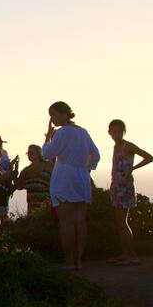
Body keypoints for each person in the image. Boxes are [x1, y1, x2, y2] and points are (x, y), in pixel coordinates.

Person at [42, 101, 100, 271]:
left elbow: (46, 154)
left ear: (64, 114)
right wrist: (86, 169)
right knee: (80, 221)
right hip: (81, 178)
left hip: (64, 178)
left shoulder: (61, 133)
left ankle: (69, 262)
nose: (52, 119)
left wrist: (48, 137)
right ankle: (79, 261)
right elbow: (96, 155)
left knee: (66, 222)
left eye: (53, 115)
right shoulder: (83, 132)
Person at [106, 119, 153, 266]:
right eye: (114, 131)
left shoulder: (128, 146)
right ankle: (125, 253)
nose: (116, 134)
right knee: (119, 222)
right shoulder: (115, 147)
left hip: (125, 187)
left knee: (123, 222)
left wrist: (132, 168)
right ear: (109, 132)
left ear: (124, 132)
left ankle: (132, 255)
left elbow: (149, 157)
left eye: (119, 131)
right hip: (116, 186)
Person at [15, 144, 54, 215]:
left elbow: (57, 180)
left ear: (38, 153)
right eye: (28, 153)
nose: (29, 154)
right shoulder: (25, 171)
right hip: (32, 208)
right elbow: (19, 186)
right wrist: (14, 173)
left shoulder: (48, 165)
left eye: (31, 152)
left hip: (46, 206)